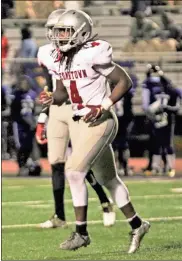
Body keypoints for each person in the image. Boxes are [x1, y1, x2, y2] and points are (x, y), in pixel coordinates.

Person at [39, 9, 150, 253]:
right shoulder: (57, 56)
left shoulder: (93, 52)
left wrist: (104, 105)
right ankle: (138, 224)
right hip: (81, 120)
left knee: (74, 171)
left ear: (81, 32)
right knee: (108, 178)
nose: (60, 37)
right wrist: (50, 98)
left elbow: (125, 80)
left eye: (66, 31)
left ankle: (81, 232)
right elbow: (61, 93)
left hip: (101, 119)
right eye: (58, 32)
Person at [36, 9, 116, 229]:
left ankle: (104, 201)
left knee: (80, 162)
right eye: (53, 29)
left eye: (61, 29)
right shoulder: (45, 52)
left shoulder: (84, 51)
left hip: (78, 109)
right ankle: (59, 216)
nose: (57, 34)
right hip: (57, 109)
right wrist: (43, 114)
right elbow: (52, 88)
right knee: (55, 163)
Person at [142, 64, 182, 177]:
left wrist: (166, 109)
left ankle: (168, 167)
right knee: (157, 144)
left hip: (166, 119)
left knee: (166, 144)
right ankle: (157, 167)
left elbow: (176, 107)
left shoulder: (171, 92)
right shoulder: (165, 92)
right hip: (159, 119)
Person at [11, 75, 42, 176]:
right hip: (19, 124)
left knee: (29, 146)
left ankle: (28, 164)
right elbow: (14, 111)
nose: (25, 84)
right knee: (20, 146)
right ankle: (22, 166)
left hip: (30, 124)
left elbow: (37, 109)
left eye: (26, 82)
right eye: (23, 82)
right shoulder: (17, 95)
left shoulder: (33, 94)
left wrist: (34, 121)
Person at [112, 61, 137, 176]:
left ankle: (118, 166)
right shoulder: (127, 92)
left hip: (114, 120)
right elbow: (129, 110)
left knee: (114, 145)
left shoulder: (109, 90)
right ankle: (124, 166)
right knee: (122, 144)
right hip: (122, 120)